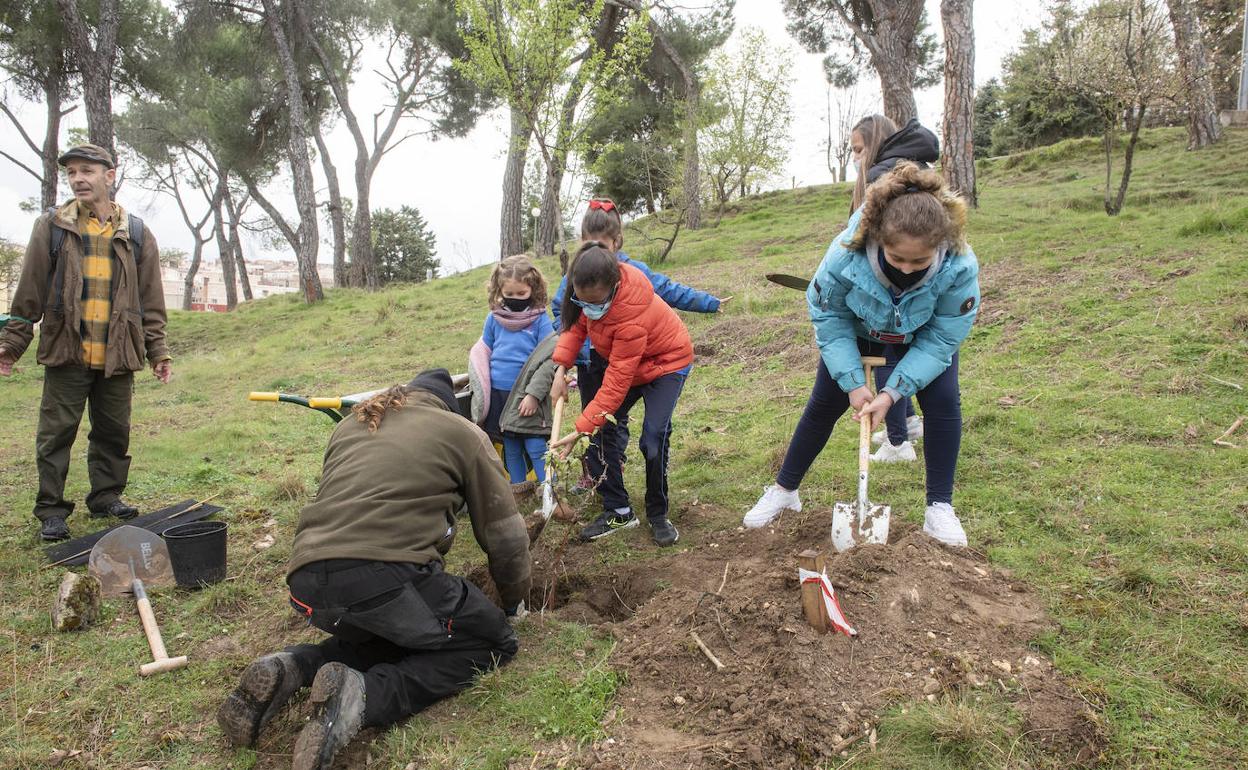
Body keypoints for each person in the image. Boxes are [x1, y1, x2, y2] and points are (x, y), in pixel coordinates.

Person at [217, 369, 531, 770]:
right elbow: (504, 535)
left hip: (307, 581)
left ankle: (294, 667)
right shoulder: (463, 433)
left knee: (397, 629)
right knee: (491, 643)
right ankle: (363, 695)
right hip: (384, 573)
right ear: (448, 406)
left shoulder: (353, 423)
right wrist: (515, 598)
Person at [743, 162, 980, 547]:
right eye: (896, 258)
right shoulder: (845, 256)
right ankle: (785, 492)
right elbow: (829, 316)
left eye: (918, 262)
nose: (905, 269)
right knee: (824, 404)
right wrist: (854, 384)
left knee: (943, 403)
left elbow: (941, 340)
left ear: (939, 246)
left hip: (922, 335)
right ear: (878, 238)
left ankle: (940, 508)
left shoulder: (959, 267)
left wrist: (892, 394)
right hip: (858, 330)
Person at [0, 144, 172, 542]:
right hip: (67, 349)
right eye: (72, 172)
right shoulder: (53, 226)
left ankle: (106, 496)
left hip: (118, 351)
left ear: (109, 176)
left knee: (113, 431)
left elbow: (152, 300)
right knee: (56, 433)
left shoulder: (138, 232)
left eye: (87, 171)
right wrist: (11, 344)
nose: (78, 178)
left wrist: (158, 350)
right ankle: (52, 510)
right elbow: (29, 290)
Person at [550, 198, 726, 505]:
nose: (594, 249)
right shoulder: (578, 278)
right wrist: (562, 366)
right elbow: (572, 321)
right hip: (598, 360)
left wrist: (708, 302)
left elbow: (618, 381)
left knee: (642, 433)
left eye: (602, 243)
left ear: (616, 242)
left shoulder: (634, 289)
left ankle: (652, 503)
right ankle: (614, 502)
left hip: (650, 360)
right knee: (602, 426)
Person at [549, 242, 694, 546]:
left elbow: (615, 384)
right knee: (599, 433)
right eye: (582, 301)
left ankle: (657, 513)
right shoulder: (585, 295)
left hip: (666, 364)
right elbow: (575, 329)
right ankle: (619, 510)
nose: (589, 308)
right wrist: (560, 370)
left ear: (614, 287)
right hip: (629, 365)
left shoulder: (631, 318)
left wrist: (579, 430)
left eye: (596, 303)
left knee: (652, 440)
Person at [850, 115, 942, 462]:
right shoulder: (913, 167)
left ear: (875, 145)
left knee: (889, 356)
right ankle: (907, 423)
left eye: (859, 150)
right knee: (896, 357)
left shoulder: (880, 179)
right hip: (904, 293)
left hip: (896, 296)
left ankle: (898, 440)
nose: (855, 159)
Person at [469, 255, 556, 484]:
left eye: (521, 294)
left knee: (536, 444)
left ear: (533, 289)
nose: (515, 299)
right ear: (500, 291)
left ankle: (551, 492)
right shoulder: (493, 319)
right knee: (511, 446)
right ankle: (518, 491)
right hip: (499, 394)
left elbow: (549, 358)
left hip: (527, 395)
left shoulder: (539, 320)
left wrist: (534, 394)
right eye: (509, 294)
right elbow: (483, 352)